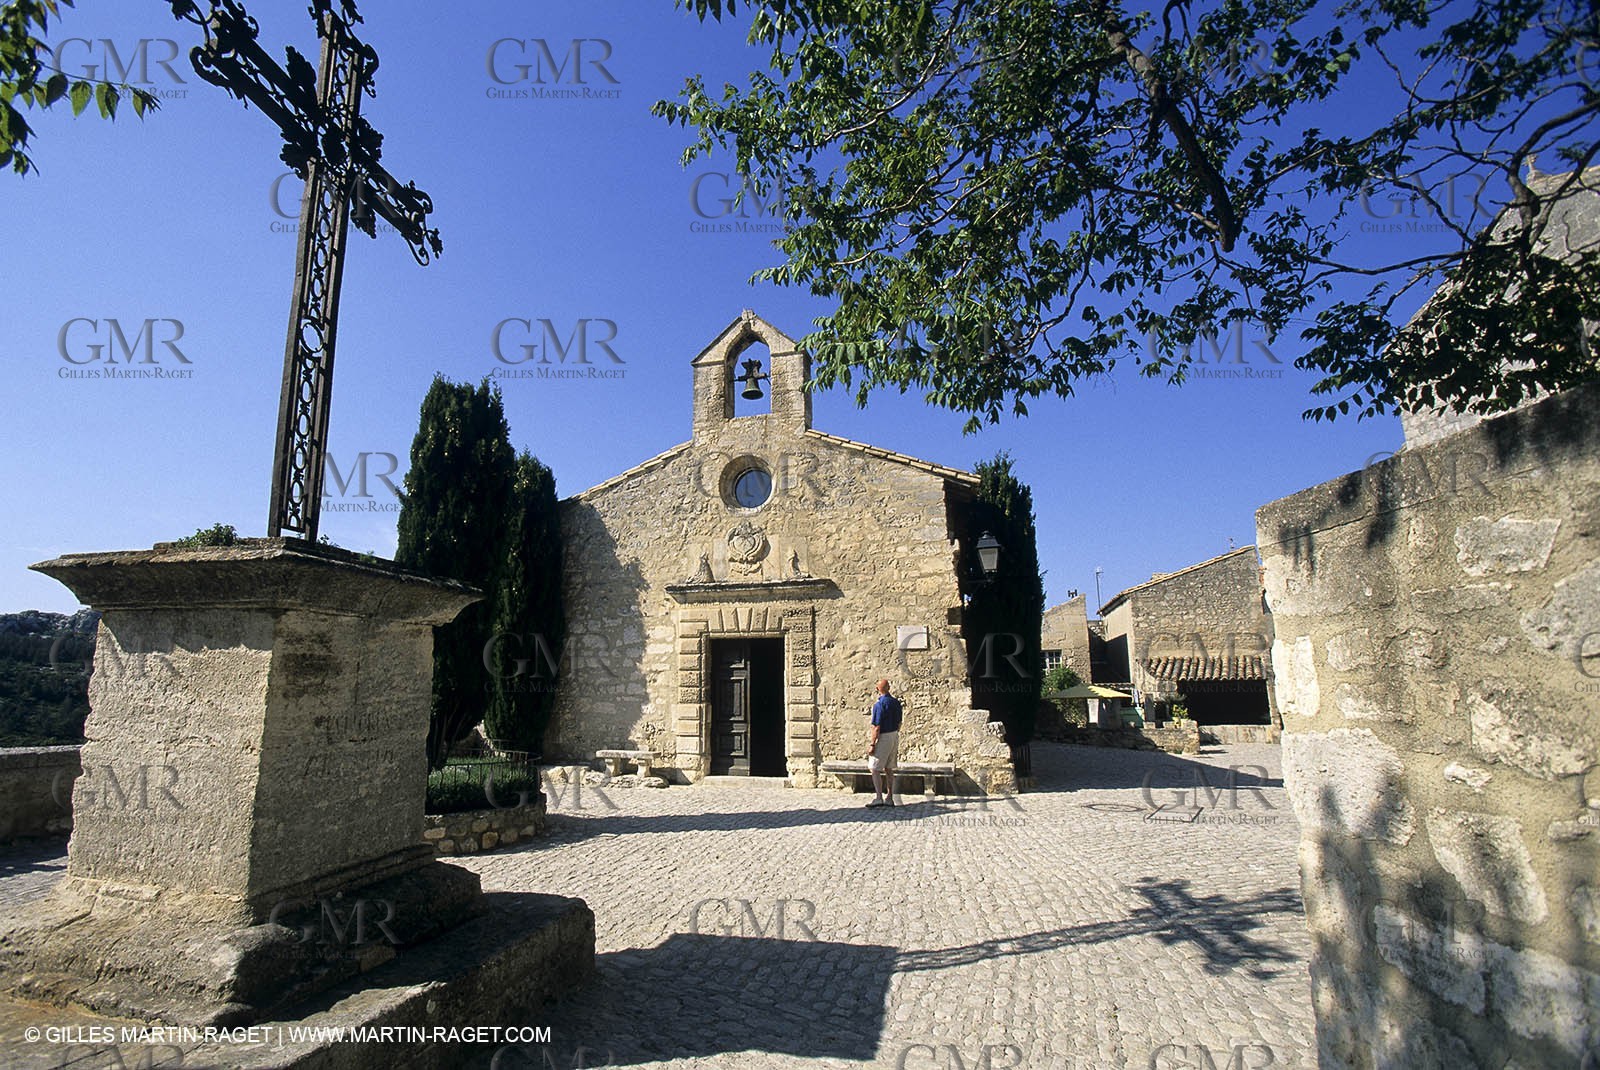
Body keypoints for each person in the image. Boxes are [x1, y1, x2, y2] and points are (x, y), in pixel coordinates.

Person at [865, 678, 902, 808]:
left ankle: (879, 797)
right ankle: (890, 797)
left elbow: (876, 726)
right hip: (894, 735)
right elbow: (899, 723)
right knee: (889, 768)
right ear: (889, 688)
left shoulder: (879, 705)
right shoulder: (896, 703)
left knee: (874, 768)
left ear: (877, 689)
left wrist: (872, 744)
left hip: (884, 736)